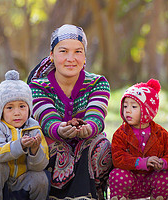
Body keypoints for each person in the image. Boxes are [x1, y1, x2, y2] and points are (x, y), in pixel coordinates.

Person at [28, 24, 113, 200]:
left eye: (78, 52)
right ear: (51, 55)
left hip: (88, 144)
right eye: (63, 51)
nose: (71, 58)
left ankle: (92, 195)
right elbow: (46, 118)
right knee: (49, 145)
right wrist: (59, 129)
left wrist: (88, 128)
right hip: (53, 145)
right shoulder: (37, 86)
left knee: (102, 145)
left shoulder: (98, 83)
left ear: (85, 57)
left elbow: (96, 116)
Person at [0, 70, 50, 200]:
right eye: (10, 107)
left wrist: (35, 151)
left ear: (29, 108)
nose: (17, 113)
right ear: (1, 110)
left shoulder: (34, 127)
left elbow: (40, 165)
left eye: (22, 106)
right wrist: (19, 145)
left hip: (18, 184)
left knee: (41, 176)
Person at [109, 79, 168, 200]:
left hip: (151, 180)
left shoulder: (161, 134)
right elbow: (117, 158)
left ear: (147, 110)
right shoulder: (120, 133)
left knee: (167, 174)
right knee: (116, 174)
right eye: (125, 106)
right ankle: (119, 197)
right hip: (129, 180)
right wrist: (141, 162)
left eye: (133, 106)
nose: (127, 110)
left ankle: (160, 196)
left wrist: (163, 163)